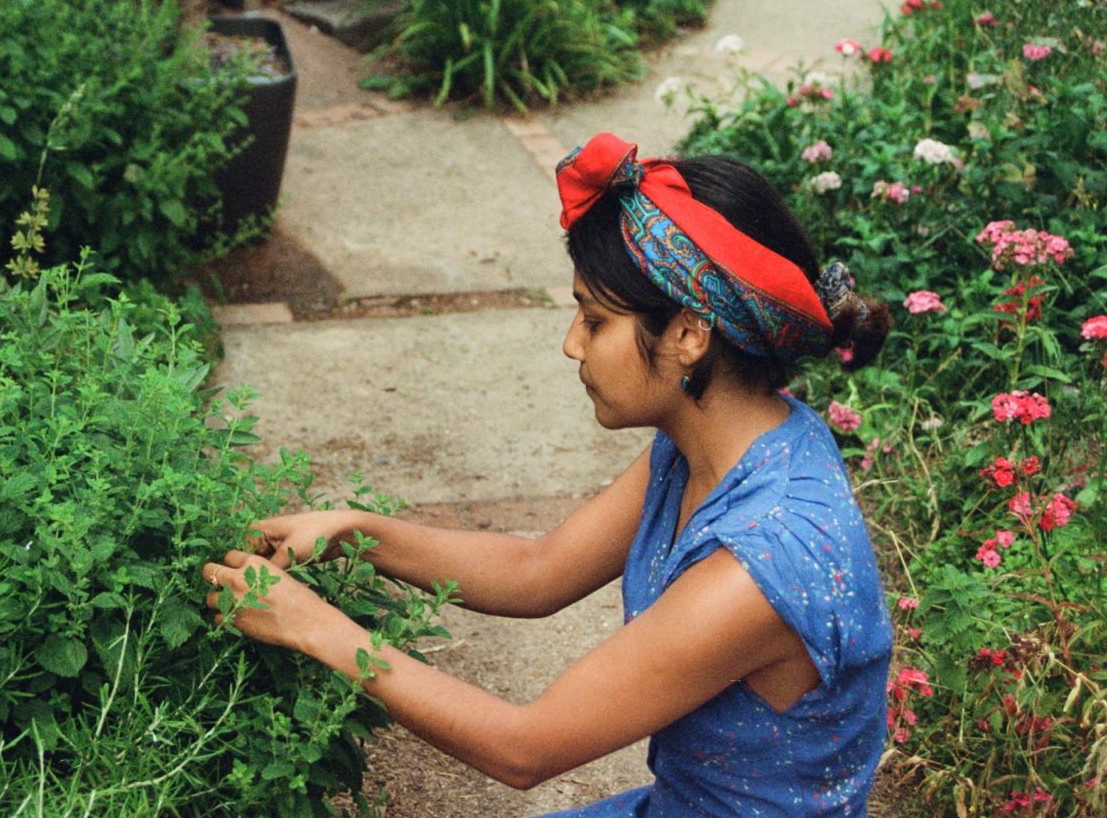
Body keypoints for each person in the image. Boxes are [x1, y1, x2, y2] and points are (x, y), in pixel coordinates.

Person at [202, 133, 895, 816]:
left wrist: (312, 627)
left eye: (594, 320)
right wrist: (353, 532)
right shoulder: (721, 444)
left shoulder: (761, 567)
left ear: (689, 333)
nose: (571, 345)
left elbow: (523, 748)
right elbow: (538, 570)